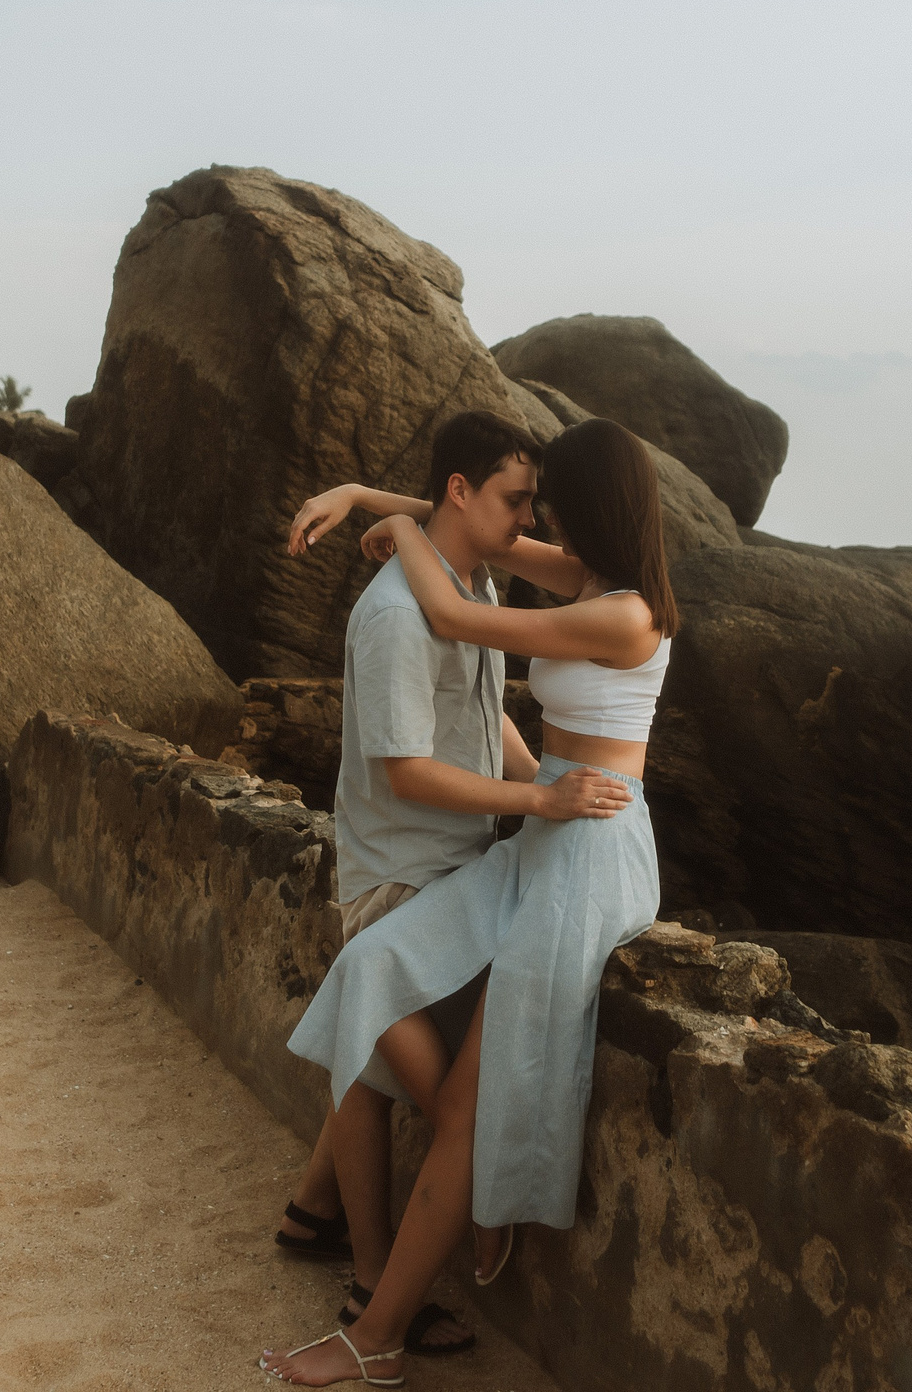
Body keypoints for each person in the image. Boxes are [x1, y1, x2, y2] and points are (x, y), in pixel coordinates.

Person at [260, 418, 676, 1388]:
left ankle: (376, 1336)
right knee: (371, 965)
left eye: (554, 504)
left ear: (594, 507)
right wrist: (369, 500)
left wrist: (397, 535)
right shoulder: (590, 581)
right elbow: (476, 532)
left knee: (468, 1099)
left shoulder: (625, 615)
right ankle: (450, 1217)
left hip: (587, 848)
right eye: (534, 503)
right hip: (545, 832)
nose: (542, 524)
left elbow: (455, 611)